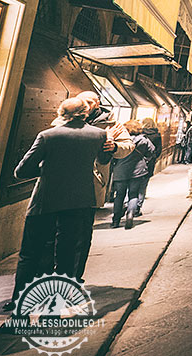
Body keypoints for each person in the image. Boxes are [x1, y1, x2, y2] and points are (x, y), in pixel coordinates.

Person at [6, 97, 114, 311]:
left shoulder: (48, 136)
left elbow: (22, 171)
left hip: (45, 202)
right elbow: (103, 160)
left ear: (60, 113)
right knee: (66, 255)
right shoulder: (99, 135)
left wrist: (47, 172)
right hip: (79, 203)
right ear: (85, 113)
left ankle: (21, 309)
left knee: (30, 255)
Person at [74, 90, 133, 283]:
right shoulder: (70, 119)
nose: (86, 105)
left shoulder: (111, 123)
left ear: (97, 104)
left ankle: (75, 275)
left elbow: (128, 145)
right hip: (64, 183)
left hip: (91, 184)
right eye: (83, 101)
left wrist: (114, 146)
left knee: (82, 233)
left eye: (90, 102)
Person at [110, 120, 156, 229]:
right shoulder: (144, 140)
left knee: (119, 195)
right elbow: (152, 152)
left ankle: (115, 220)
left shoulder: (120, 141)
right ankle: (130, 214)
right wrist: (144, 160)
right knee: (133, 194)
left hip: (120, 171)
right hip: (138, 171)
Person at [135, 118, 162, 216]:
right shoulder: (157, 135)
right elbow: (158, 151)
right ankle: (137, 207)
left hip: (134, 163)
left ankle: (129, 204)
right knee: (142, 186)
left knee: (132, 185)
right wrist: (151, 159)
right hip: (149, 164)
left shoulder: (138, 134)